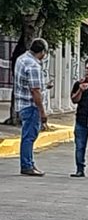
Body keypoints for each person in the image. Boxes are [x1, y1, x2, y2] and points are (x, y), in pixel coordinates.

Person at [14, 39, 49, 177]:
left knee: (26, 135)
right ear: (42, 52)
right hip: (31, 106)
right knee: (29, 136)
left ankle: (28, 163)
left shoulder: (21, 59)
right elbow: (35, 90)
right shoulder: (33, 65)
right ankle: (27, 164)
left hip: (21, 103)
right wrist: (42, 112)